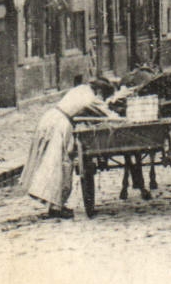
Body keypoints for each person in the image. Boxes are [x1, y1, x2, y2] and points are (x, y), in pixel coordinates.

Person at [20, 76, 122, 219]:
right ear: (99, 91)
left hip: (50, 118)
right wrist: (123, 117)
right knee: (60, 165)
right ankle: (56, 207)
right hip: (60, 125)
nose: (102, 98)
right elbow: (108, 115)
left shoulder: (82, 89)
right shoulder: (92, 99)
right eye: (104, 96)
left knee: (49, 163)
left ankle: (53, 204)